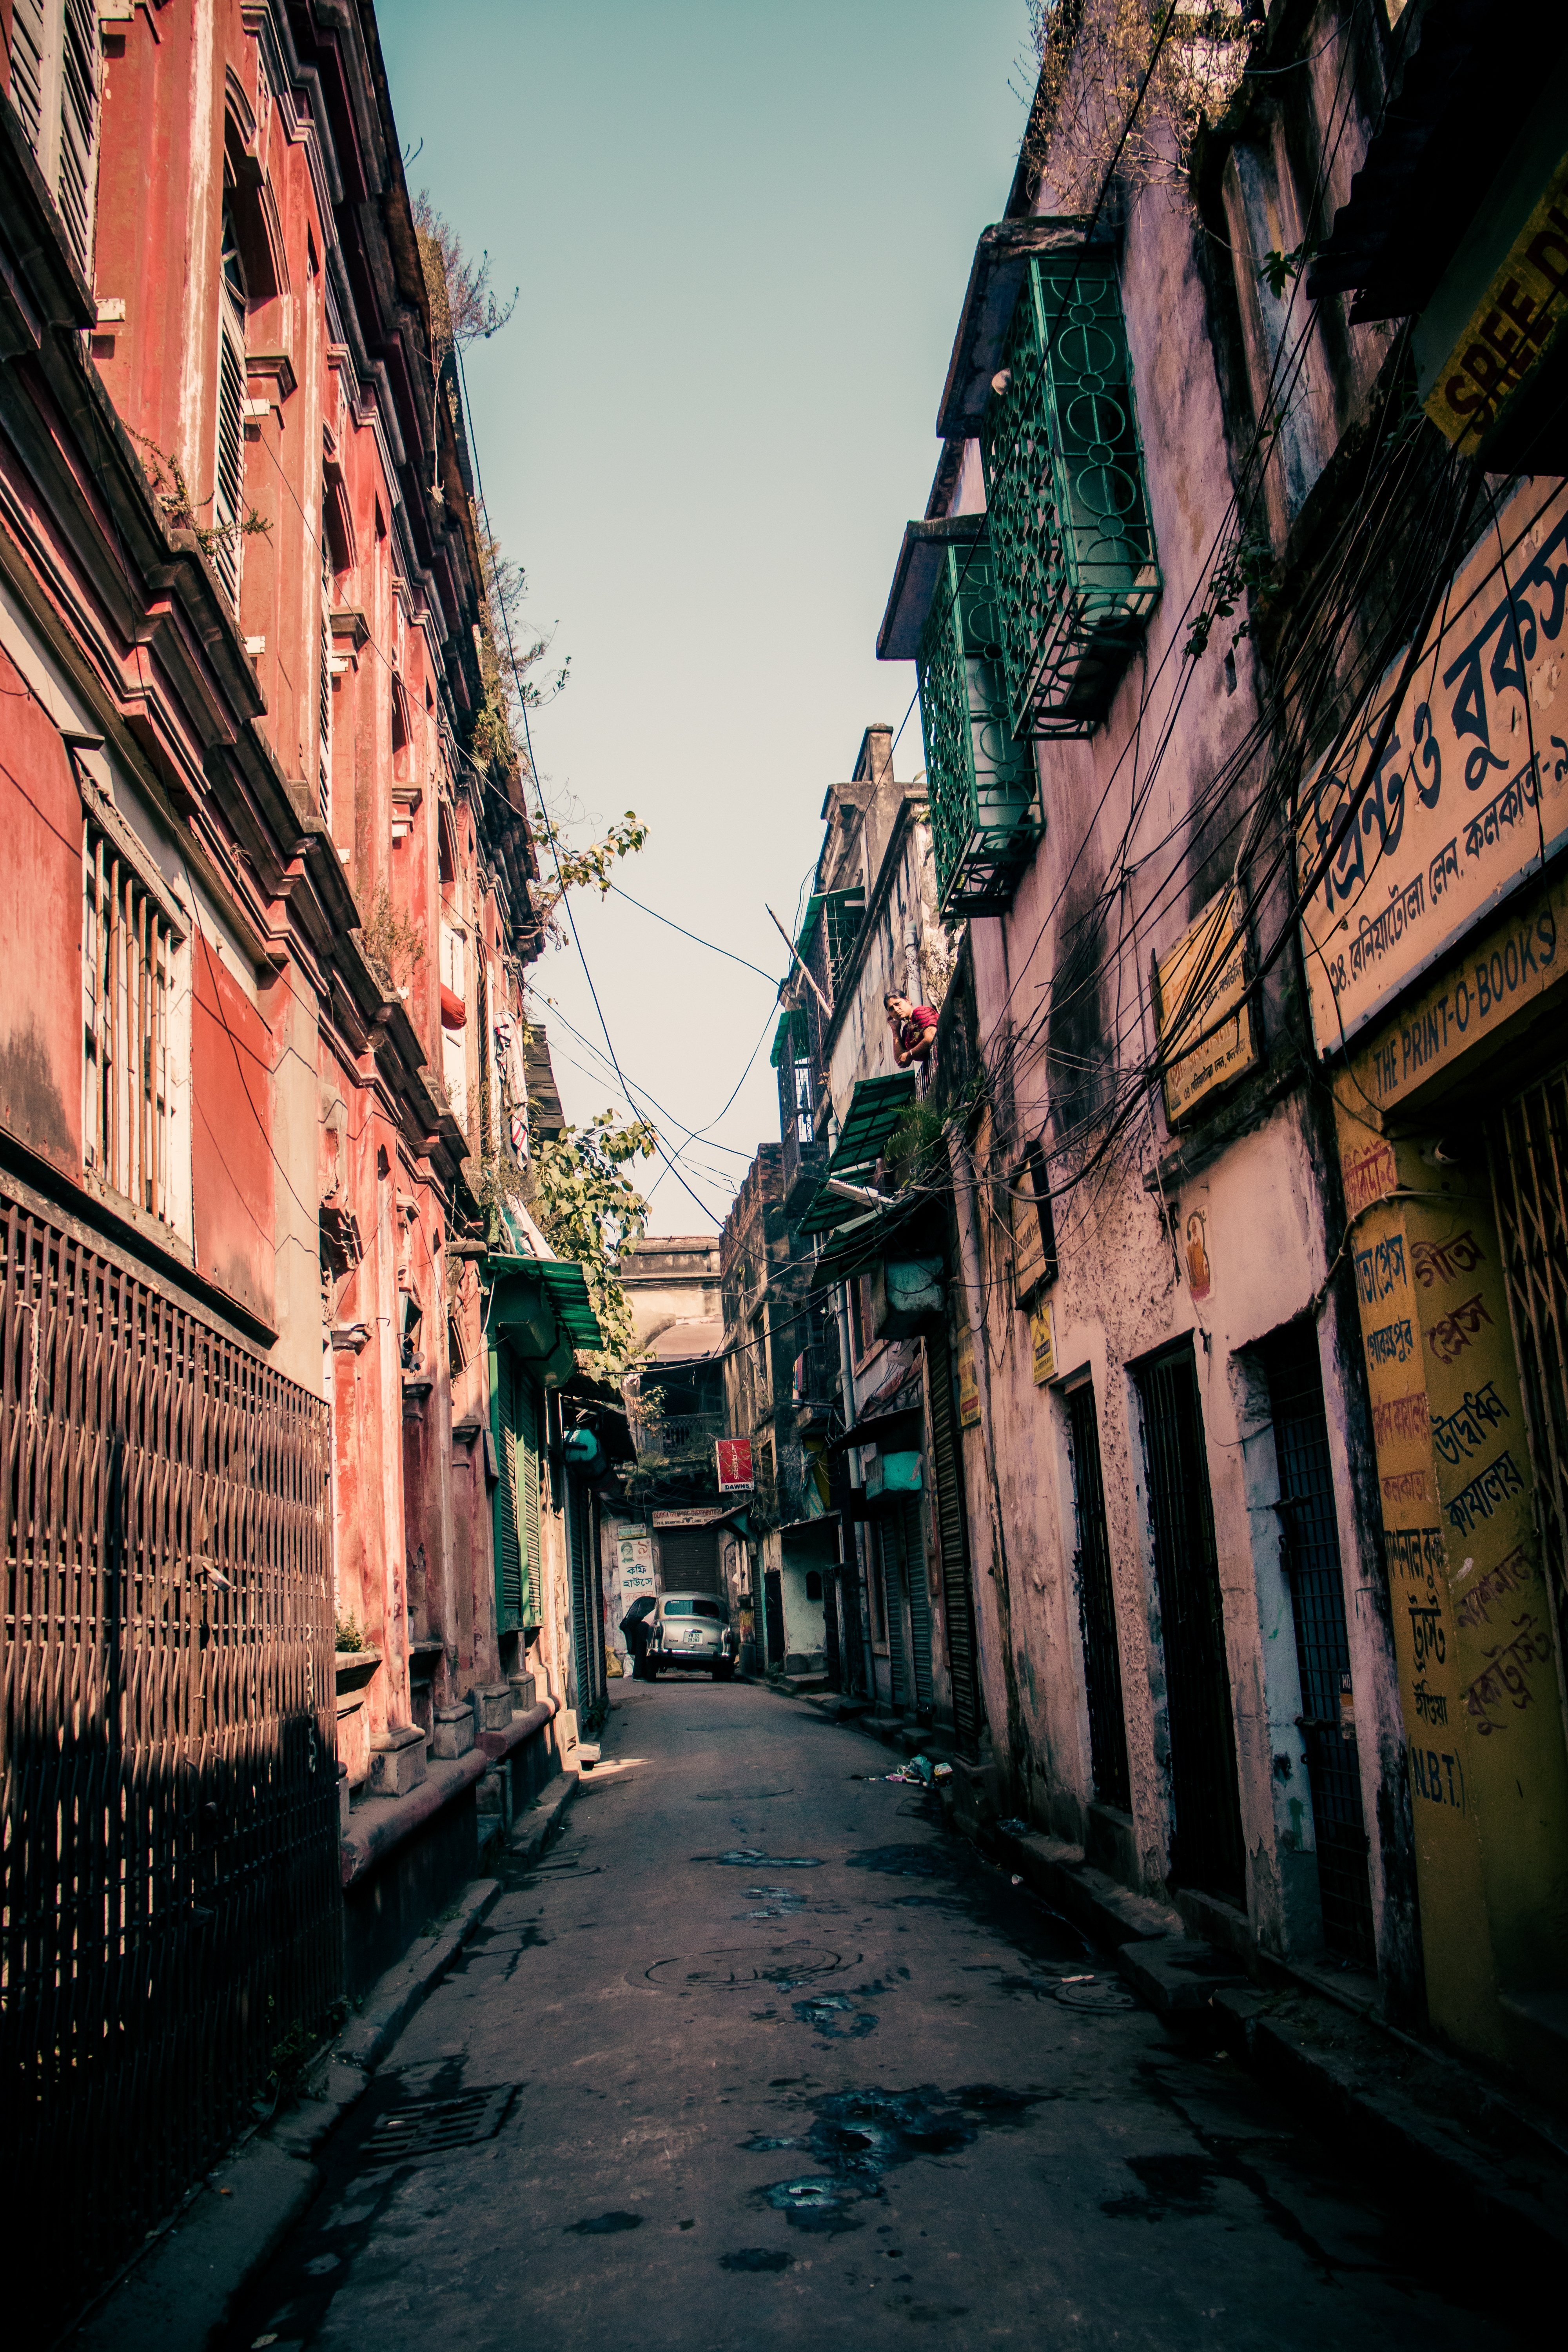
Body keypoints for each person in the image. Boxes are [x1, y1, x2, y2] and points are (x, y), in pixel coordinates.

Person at [885, 991, 938, 1067]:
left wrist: (910, 1054)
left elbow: (931, 1038)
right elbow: (900, 1061)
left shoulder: (920, 1012)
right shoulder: (906, 1031)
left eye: (897, 1004)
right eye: (891, 1009)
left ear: (908, 1000)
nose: (896, 1010)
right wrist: (895, 1031)